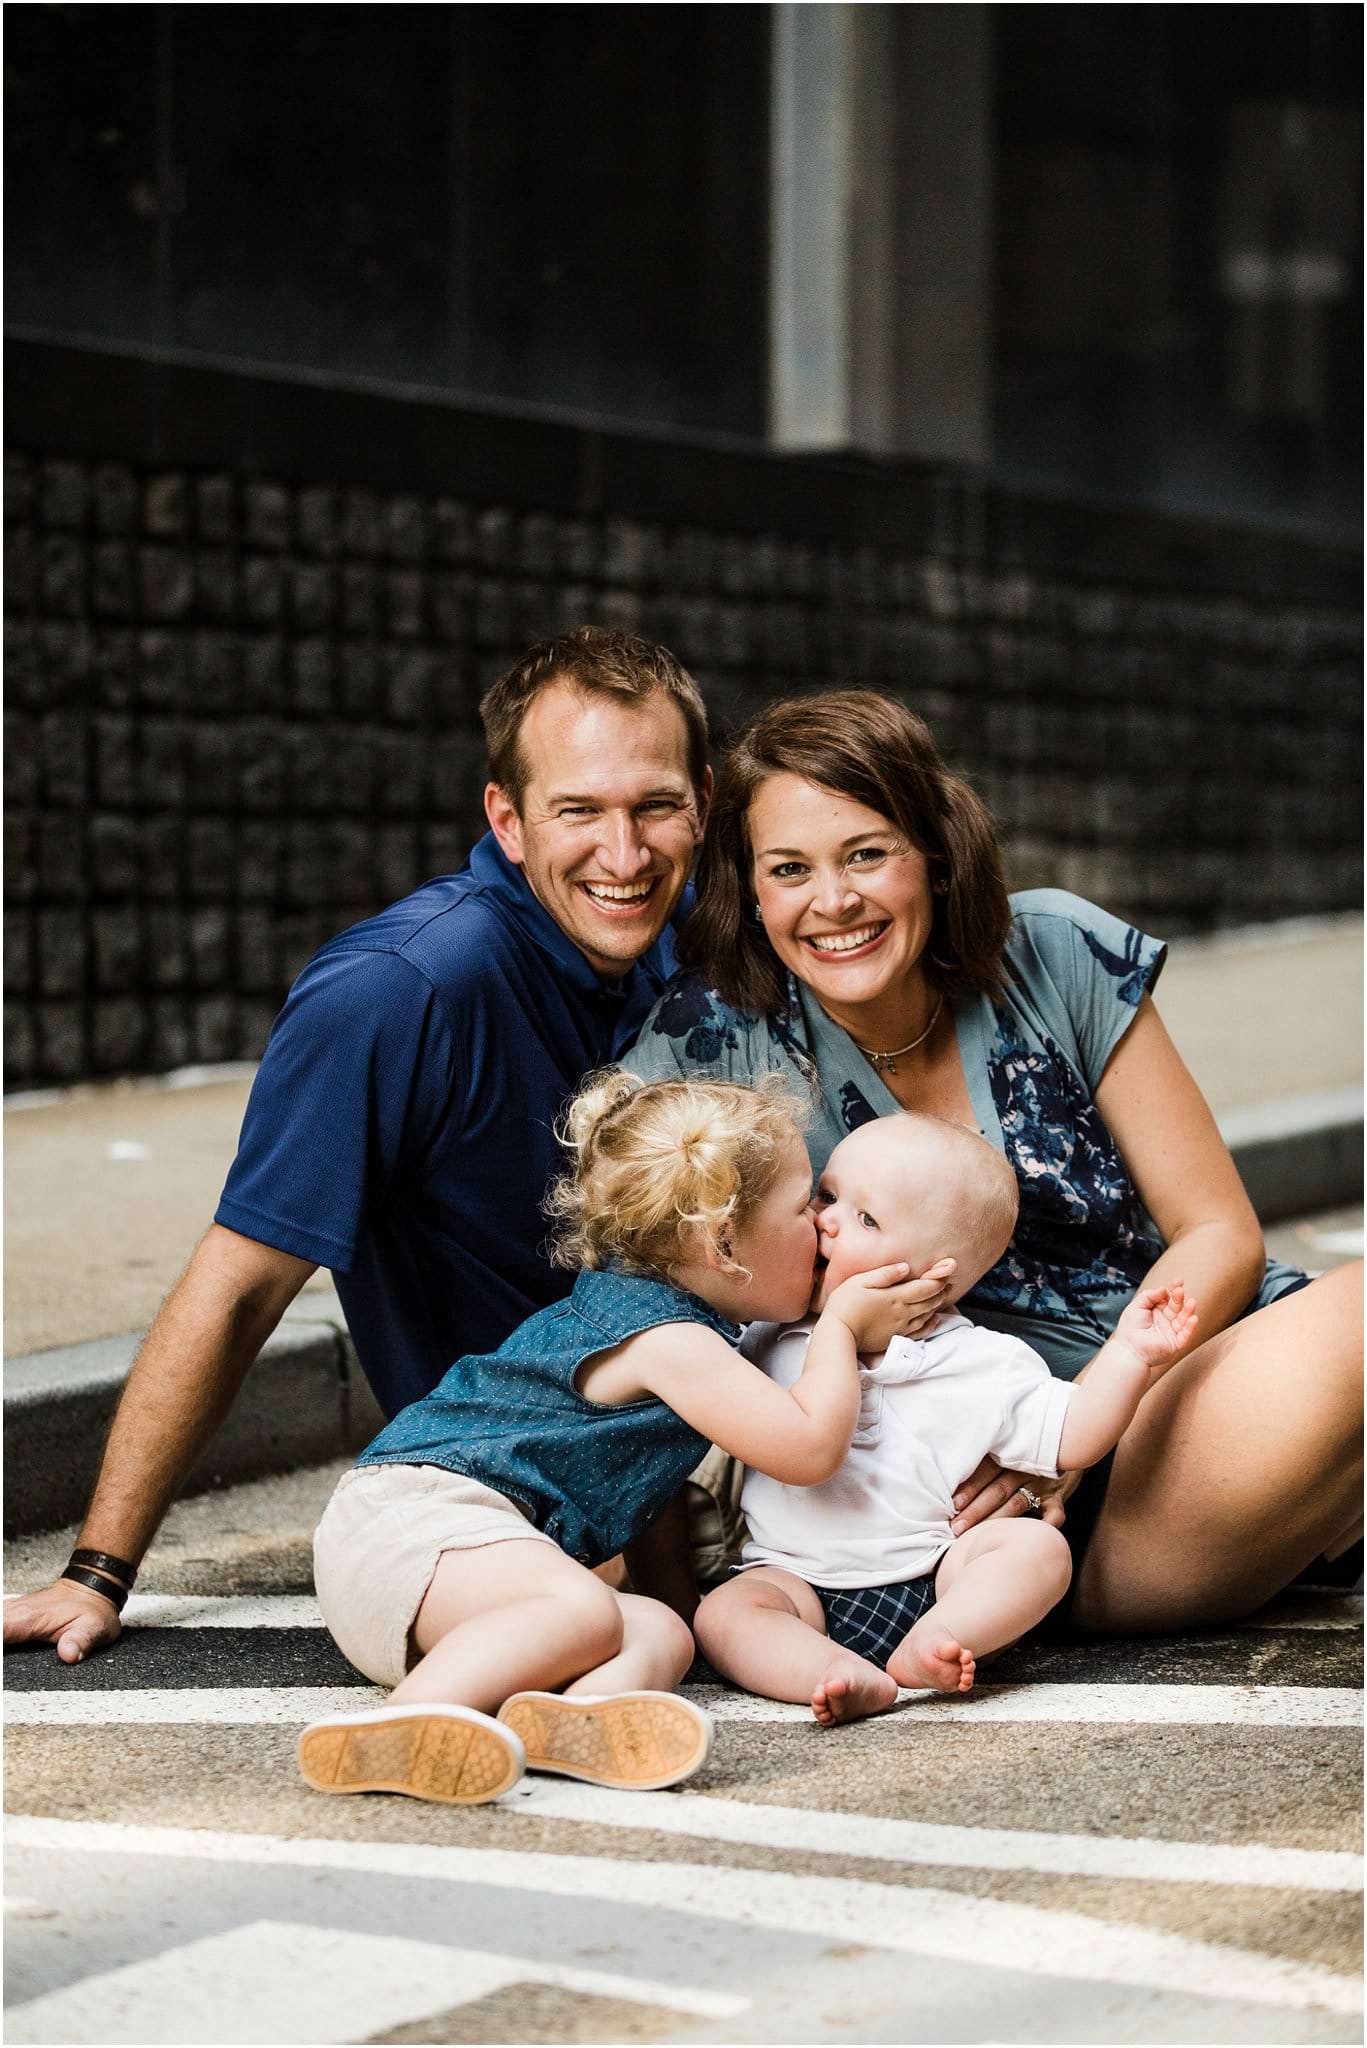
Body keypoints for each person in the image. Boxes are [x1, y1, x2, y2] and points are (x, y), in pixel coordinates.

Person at [4, 628, 720, 1665]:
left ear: (700, 798)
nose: (624, 854)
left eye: (653, 805)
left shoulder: (699, 937)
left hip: (689, 1441)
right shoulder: (400, 991)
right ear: (507, 821)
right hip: (507, 1476)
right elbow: (241, 1283)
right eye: (578, 810)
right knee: (629, 1632)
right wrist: (97, 1571)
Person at [624, 689, 1362, 1635]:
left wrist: (1087, 1434)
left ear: (932, 853)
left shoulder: (1050, 950)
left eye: (866, 853)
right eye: (789, 869)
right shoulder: (710, 1049)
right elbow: (643, 1305)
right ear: (751, 890)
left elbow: (1217, 1231)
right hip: (1001, 1509)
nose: (833, 900)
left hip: (1187, 1387)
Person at [297, 1070, 934, 1805]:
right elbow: (807, 1448)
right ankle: (403, 1724)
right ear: (723, 1244)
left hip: (433, 1586)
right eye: (805, 1206)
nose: (823, 1227)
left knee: (661, 1628)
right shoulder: (668, 1340)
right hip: (413, 1524)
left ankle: (575, 1722)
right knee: (585, 1611)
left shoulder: (671, 1321)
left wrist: (685, 1604)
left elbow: (643, 1491)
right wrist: (842, 1329)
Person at [695, 1112, 1197, 1724]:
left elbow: (1075, 1434)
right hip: (793, 1580)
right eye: (826, 1195)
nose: (825, 1219)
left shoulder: (978, 1360)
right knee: (725, 1614)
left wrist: (1130, 1354)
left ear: (936, 1275)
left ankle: (935, 1646)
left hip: (936, 1577)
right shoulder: (765, 1334)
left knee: (1035, 1549)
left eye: (866, 1218)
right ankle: (827, 1671)